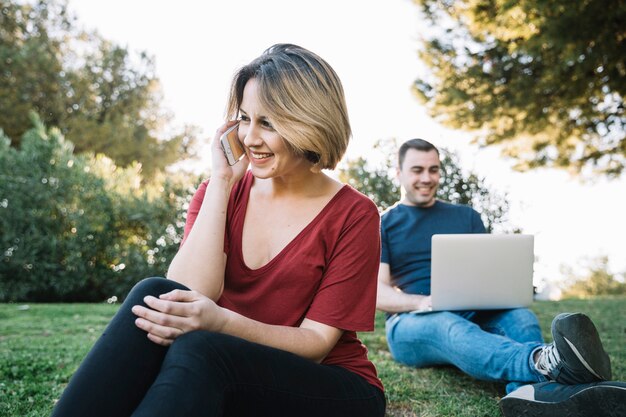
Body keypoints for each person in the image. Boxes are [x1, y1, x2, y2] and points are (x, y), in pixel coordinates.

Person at [51, 44, 385, 417]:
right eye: (244, 118)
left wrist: (222, 321)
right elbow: (184, 293)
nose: (250, 138)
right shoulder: (219, 192)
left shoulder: (355, 214)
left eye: (269, 123)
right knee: (153, 293)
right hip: (230, 367)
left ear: (309, 124)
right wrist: (221, 183)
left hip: (331, 386)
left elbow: (317, 344)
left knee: (203, 348)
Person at [377, 138, 625, 416]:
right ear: (398, 172)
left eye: (433, 170)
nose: (427, 178)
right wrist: (423, 303)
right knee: (450, 325)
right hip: (412, 322)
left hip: (473, 310)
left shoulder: (466, 216)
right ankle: (544, 362)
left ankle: (527, 397)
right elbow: (379, 293)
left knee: (521, 316)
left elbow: (485, 271)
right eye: (417, 170)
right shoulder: (383, 223)